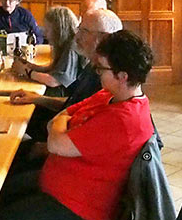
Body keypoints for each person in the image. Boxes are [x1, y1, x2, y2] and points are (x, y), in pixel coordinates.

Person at [0, 30, 155, 220]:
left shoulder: (124, 119)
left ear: (123, 76)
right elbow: (61, 118)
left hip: (82, 206)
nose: (96, 72)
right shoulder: (110, 96)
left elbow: (56, 139)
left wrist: (61, 125)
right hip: (63, 185)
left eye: (101, 69)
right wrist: (61, 124)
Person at [10, 8, 123, 153]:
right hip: (61, 135)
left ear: (103, 38)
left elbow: (89, 136)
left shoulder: (107, 79)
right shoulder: (92, 67)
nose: (77, 36)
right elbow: (75, 104)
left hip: (63, 146)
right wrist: (38, 98)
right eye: (79, 29)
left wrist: (45, 149)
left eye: (84, 31)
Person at [12, 6, 80, 94]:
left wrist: (27, 71)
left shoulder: (71, 47)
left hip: (63, 99)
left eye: (48, 30)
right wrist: (30, 66)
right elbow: (54, 69)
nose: (45, 33)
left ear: (58, 30)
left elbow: (54, 81)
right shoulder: (65, 44)